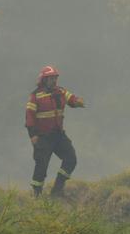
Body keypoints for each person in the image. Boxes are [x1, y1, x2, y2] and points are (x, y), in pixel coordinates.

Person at [25, 66, 86, 198]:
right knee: (41, 167)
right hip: (43, 137)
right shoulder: (35, 96)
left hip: (58, 136)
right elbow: (29, 116)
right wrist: (33, 135)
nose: (54, 81)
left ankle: (57, 190)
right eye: (51, 78)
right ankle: (36, 195)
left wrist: (78, 102)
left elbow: (72, 99)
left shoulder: (61, 91)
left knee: (71, 159)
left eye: (55, 78)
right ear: (44, 80)